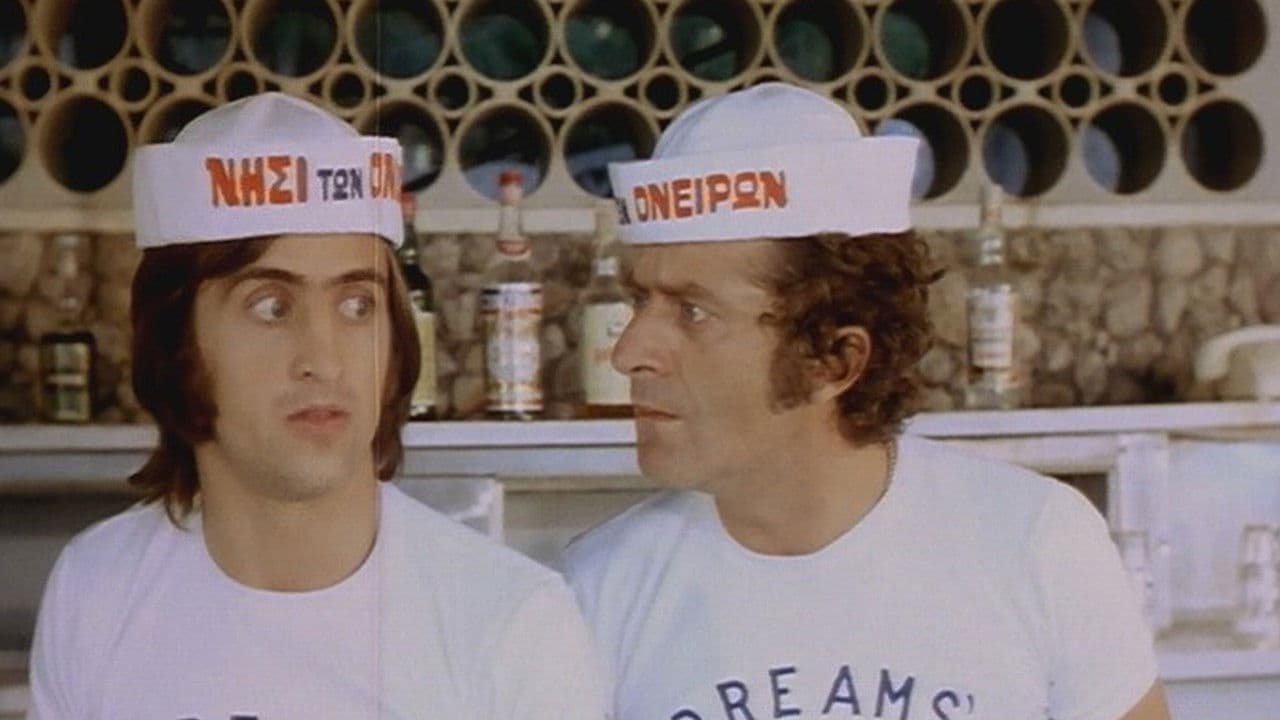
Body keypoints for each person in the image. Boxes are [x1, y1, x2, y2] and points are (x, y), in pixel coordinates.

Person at [562, 83, 1169, 720]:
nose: (628, 352)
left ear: (835, 359)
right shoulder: (601, 589)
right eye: (640, 302)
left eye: (693, 312)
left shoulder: (1034, 541)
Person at [28, 92, 604, 719]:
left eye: (358, 306)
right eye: (271, 307)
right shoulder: (98, 591)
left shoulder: (511, 621)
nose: (324, 360)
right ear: (175, 342)